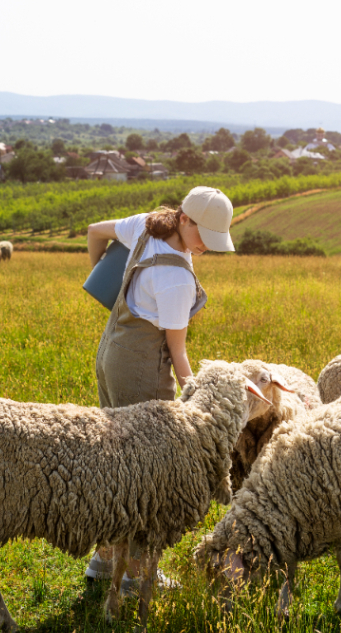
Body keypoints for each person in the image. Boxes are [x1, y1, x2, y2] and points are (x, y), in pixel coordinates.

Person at [83, 185, 235, 590]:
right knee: (145, 475)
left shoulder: (145, 226)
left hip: (111, 354)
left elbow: (95, 231)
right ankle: (135, 574)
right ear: (185, 219)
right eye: (204, 236)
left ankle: (103, 559)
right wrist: (197, 401)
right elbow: (177, 351)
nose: (207, 247)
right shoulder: (175, 280)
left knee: (116, 461)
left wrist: (103, 279)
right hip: (141, 370)